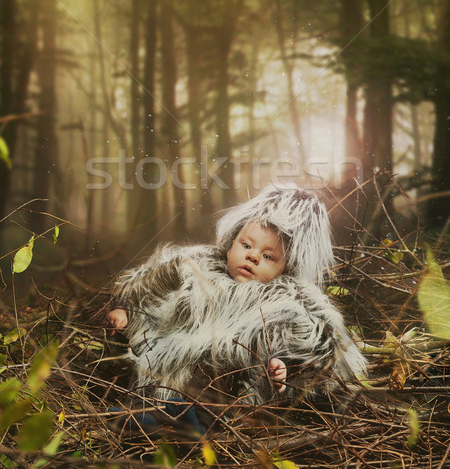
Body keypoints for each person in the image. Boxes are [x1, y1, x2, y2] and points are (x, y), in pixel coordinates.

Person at [106, 183, 366, 432]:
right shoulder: (194, 266)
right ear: (230, 243)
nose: (252, 256)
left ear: (286, 268)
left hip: (226, 390)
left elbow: (316, 355)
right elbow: (144, 290)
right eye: (246, 245)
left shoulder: (289, 303)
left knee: (222, 358)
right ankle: (141, 411)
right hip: (170, 361)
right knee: (156, 358)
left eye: (268, 257)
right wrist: (125, 312)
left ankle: (194, 421)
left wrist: (283, 370)